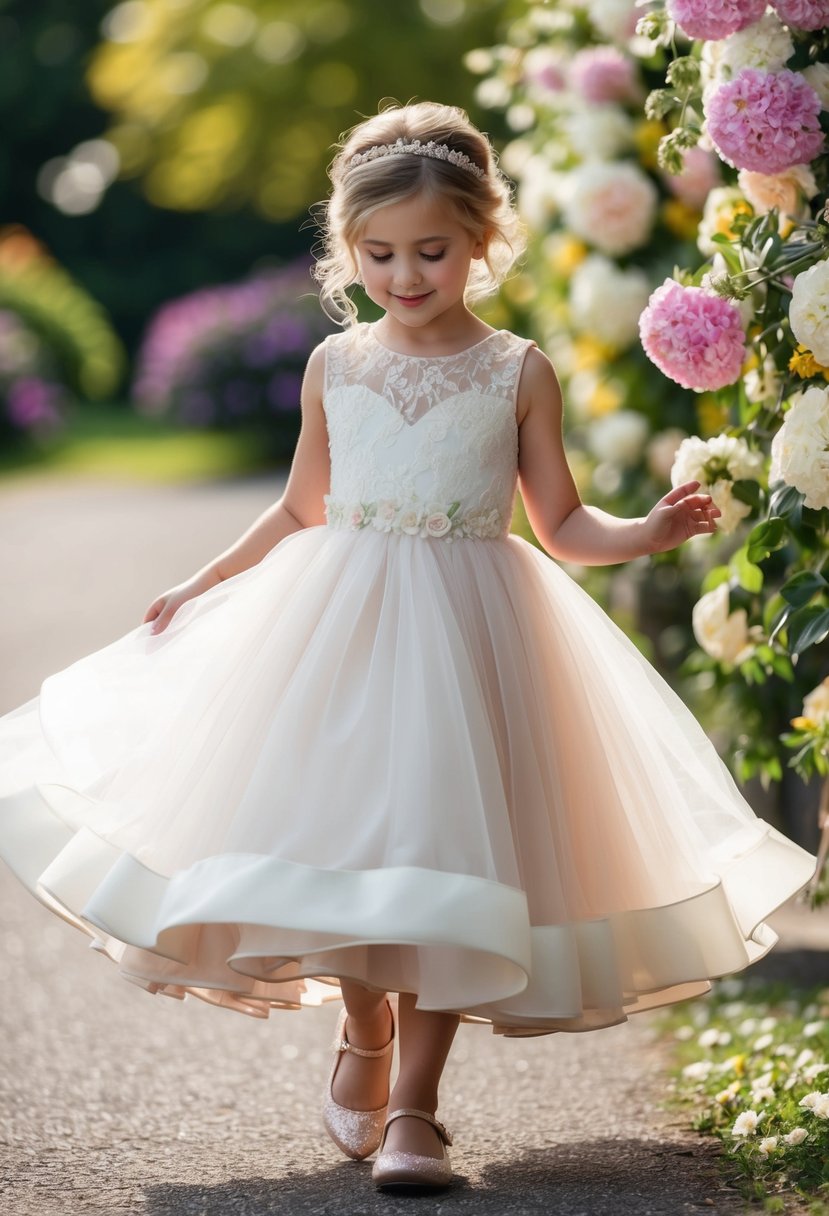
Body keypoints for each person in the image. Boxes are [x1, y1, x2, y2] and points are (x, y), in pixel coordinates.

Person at [0, 101, 815, 1195]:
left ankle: (417, 1113)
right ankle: (366, 1032)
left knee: (446, 866)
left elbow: (559, 525)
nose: (404, 273)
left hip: (473, 641)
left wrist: (648, 529)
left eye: (430, 250)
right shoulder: (336, 366)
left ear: (482, 240)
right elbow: (299, 508)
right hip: (336, 635)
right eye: (378, 254)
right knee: (343, 854)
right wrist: (200, 582)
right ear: (349, 251)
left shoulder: (516, 370)